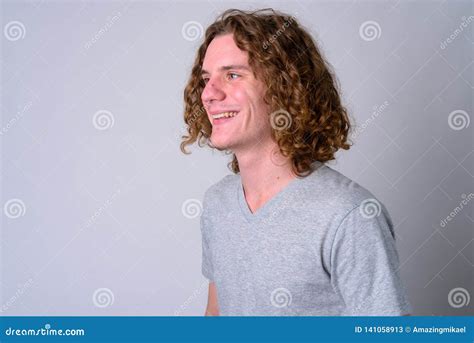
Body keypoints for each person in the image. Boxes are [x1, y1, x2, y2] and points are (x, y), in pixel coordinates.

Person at [180, 8, 412, 316]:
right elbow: (216, 317)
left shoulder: (349, 215)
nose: (208, 93)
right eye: (207, 78)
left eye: (232, 75)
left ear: (283, 88)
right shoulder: (217, 204)